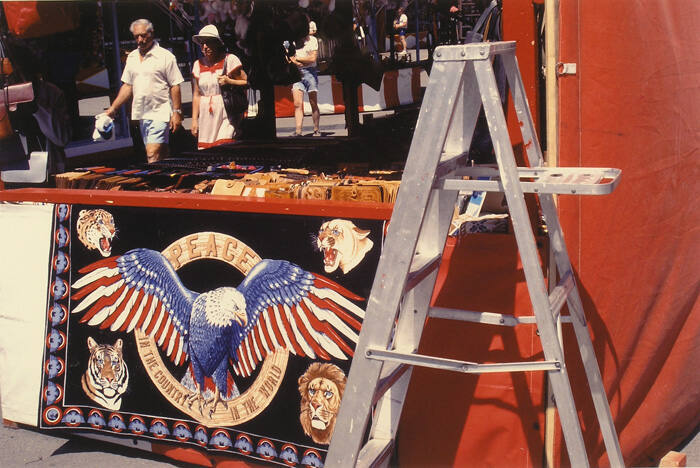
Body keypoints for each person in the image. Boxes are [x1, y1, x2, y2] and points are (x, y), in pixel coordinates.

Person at [105, 19, 184, 163]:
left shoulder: (166, 57)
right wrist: (113, 108)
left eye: (143, 35)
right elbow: (127, 86)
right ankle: (169, 181)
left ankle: (153, 183)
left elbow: (175, 85)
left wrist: (177, 112)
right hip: (142, 114)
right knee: (162, 153)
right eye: (136, 36)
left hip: (160, 112)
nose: (140, 40)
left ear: (151, 34)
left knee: (152, 153)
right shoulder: (132, 57)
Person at [190, 24, 247, 149]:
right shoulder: (197, 65)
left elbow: (246, 82)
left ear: (217, 43)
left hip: (227, 110)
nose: (205, 47)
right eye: (202, 44)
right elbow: (196, 94)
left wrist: (229, 81)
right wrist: (194, 120)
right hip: (206, 114)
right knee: (208, 151)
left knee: (225, 146)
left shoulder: (230, 60)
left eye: (209, 43)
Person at [290, 20, 320, 137]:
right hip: (297, 72)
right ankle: (298, 130)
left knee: (313, 102)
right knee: (297, 103)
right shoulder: (293, 41)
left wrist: (298, 59)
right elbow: (289, 57)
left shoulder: (313, 40)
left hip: (310, 73)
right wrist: (299, 60)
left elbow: (312, 59)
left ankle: (316, 128)